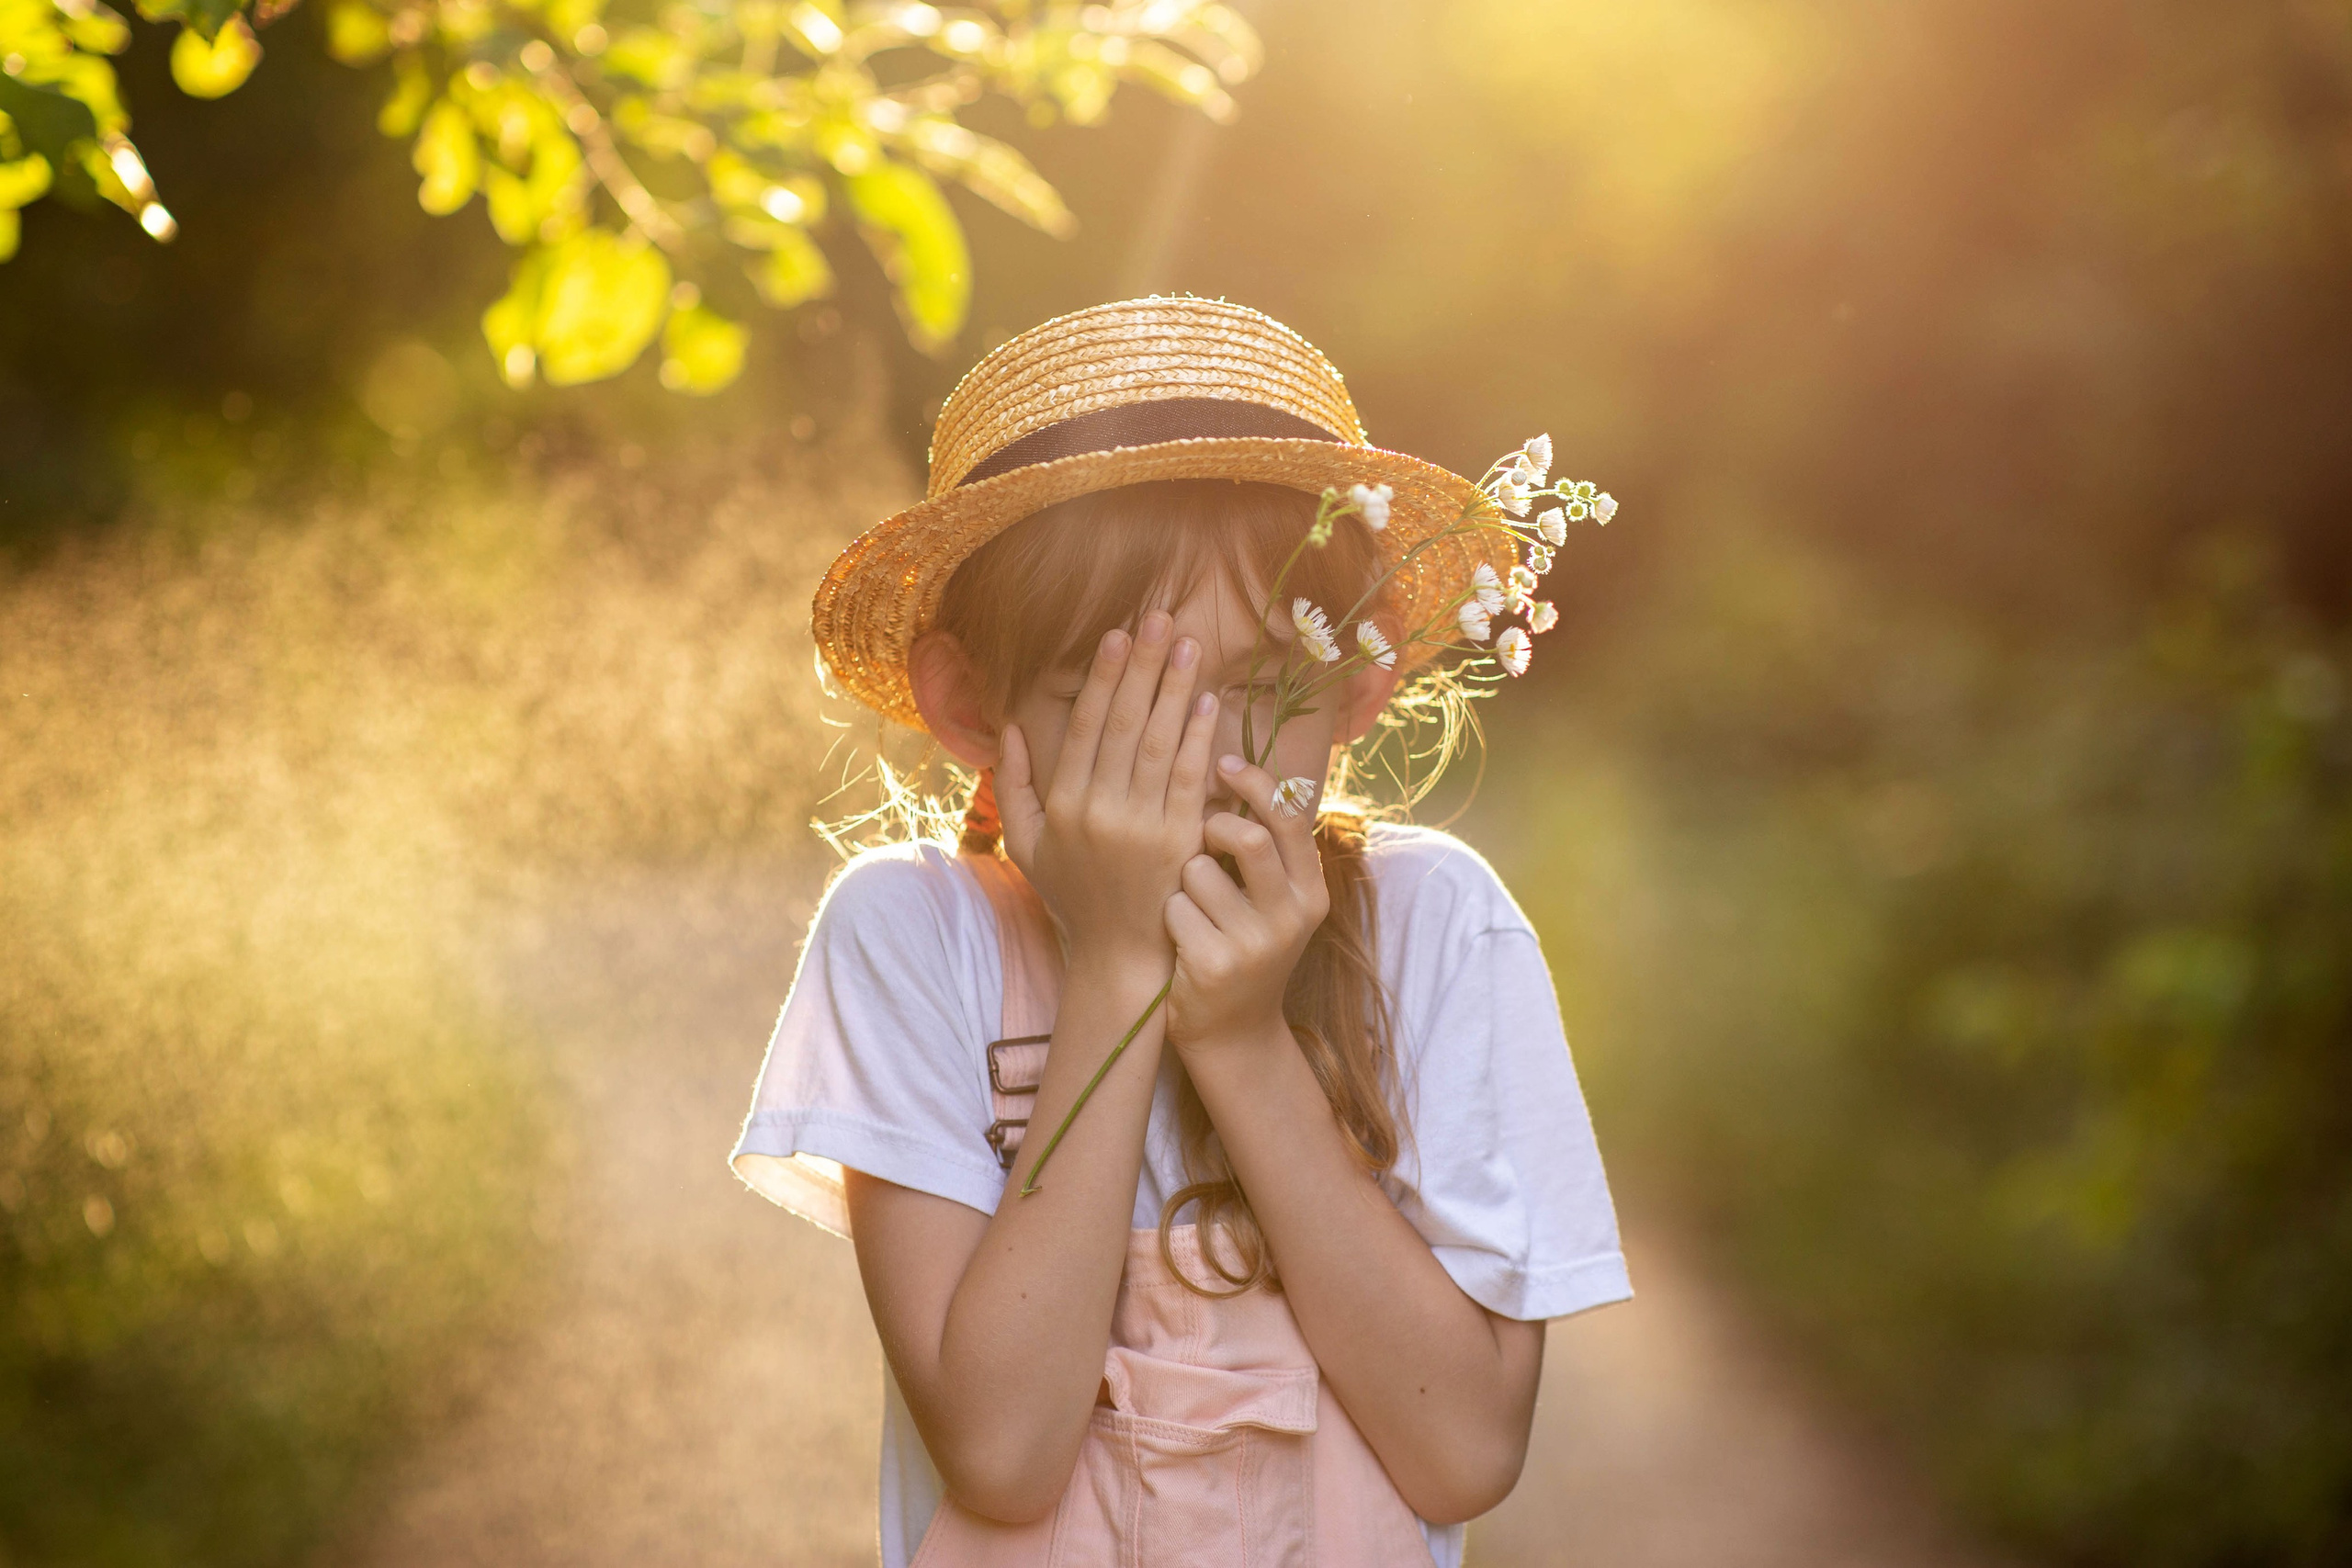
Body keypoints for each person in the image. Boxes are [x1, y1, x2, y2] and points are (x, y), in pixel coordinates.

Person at [733, 297, 1630, 1567]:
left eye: (1259, 691)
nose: (1193, 764)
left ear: (1360, 684)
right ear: (970, 705)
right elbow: (1002, 1453)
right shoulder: (913, 933)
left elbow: (1466, 1451)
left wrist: (1247, 1041)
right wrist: (1113, 972)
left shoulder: (1439, 924)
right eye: (1117, 699)